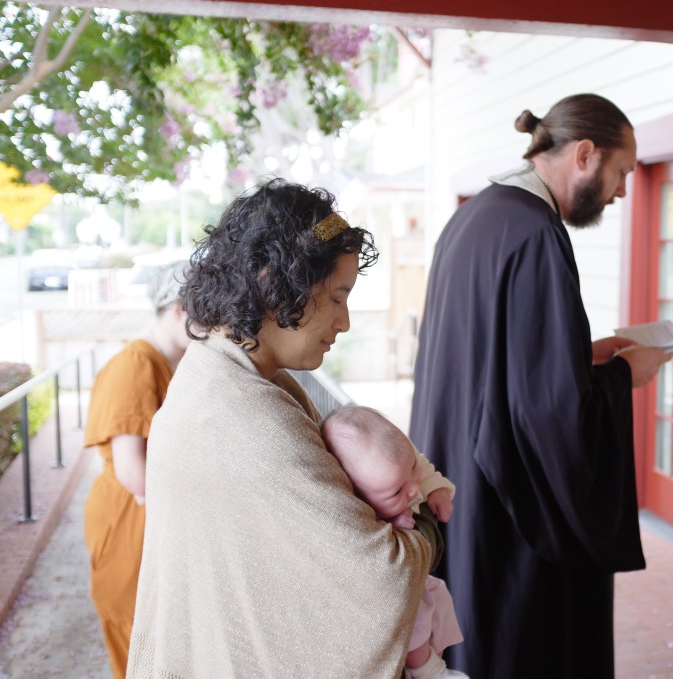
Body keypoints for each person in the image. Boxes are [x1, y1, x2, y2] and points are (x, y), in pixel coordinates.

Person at [126, 179, 439, 678]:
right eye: (337, 297)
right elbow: (383, 575)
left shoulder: (219, 373)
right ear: (274, 283)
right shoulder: (245, 418)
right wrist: (425, 525)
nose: (344, 322)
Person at [408, 93, 673, 678]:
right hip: (510, 505)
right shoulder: (536, 233)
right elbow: (548, 413)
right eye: (622, 171)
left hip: (459, 483)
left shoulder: (476, 217)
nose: (622, 191)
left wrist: (580, 355)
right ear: (585, 154)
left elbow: (500, 362)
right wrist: (626, 375)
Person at [83, 260, 191, 679]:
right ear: (179, 309)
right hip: (129, 520)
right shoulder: (134, 365)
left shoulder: (173, 362)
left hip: (152, 517)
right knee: (139, 646)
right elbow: (133, 472)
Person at [321, 405, 467, 679]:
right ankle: (427, 669)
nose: (413, 488)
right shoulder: (354, 506)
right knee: (415, 617)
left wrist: (437, 489)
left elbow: (422, 465)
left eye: (411, 469)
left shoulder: (397, 469)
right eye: (396, 491)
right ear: (358, 495)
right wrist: (387, 521)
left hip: (421, 579)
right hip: (396, 596)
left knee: (436, 607)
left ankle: (435, 658)